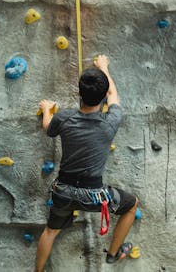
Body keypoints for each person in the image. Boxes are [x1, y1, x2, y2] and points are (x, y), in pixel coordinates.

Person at [35, 55, 138, 272]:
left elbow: (48, 128)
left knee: (50, 231)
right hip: (94, 196)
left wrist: (47, 109)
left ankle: (37, 271)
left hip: (63, 191)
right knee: (131, 205)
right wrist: (104, 67)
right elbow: (113, 95)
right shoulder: (111, 122)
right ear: (103, 98)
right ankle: (113, 253)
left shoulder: (63, 118)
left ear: (79, 93)